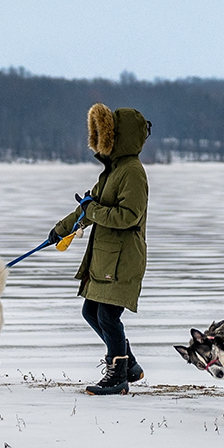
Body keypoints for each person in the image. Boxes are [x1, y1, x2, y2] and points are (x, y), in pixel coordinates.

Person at [51, 103, 151, 396]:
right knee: (90, 311)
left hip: (124, 258)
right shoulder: (112, 171)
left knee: (107, 315)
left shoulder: (132, 172)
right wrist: (61, 229)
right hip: (106, 257)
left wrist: (92, 211)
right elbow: (88, 207)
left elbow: (128, 216)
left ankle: (117, 373)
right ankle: (128, 363)